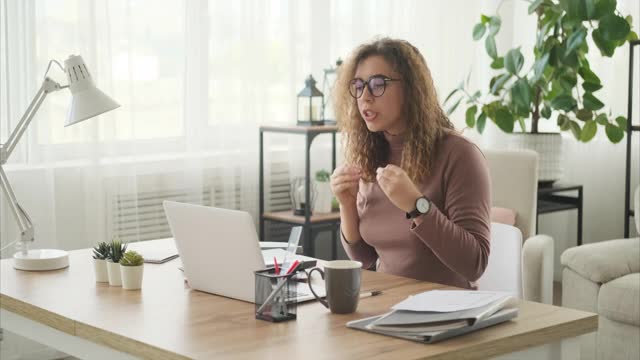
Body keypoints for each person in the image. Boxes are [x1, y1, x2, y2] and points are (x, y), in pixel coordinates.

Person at [330, 38, 491, 289]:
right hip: (385, 305)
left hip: (447, 311)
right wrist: (347, 205)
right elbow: (366, 260)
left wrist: (417, 206)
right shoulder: (370, 156)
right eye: (358, 86)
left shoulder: (459, 155)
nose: (365, 97)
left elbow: (475, 263)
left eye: (377, 84)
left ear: (411, 88)